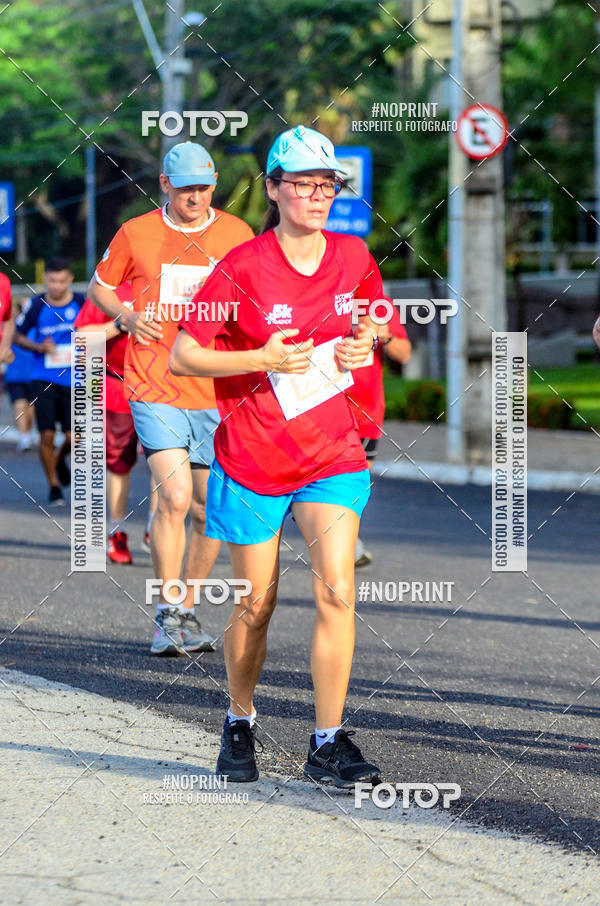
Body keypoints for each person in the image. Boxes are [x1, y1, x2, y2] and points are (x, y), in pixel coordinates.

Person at [172, 124, 384, 788]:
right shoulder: (241, 267)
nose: (318, 196)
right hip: (254, 456)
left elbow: (374, 318)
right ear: (273, 188)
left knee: (338, 591)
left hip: (331, 453)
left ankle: (327, 741)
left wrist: (364, 341)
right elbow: (184, 354)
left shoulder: (353, 255)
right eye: (303, 184)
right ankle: (239, 720)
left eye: (328, 185)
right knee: (256, 606)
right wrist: (258, 357)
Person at [87, 141, 254, 655]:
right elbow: (99, 287)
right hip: (153, 382)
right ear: (164, 184)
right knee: (175, 497)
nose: (195, 198)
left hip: (215, 388)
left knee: (206, 509)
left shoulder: (237, 234)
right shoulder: (135, 232)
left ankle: (186, 609)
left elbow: (256, 299)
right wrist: (127, 317)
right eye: (185, 190)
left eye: (204, 188)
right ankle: (165, 613)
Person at [75, 283, 142, 564]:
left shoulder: (176, 280)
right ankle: (116, 530)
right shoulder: (110, 288)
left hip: (170, 386)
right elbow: (82, 338)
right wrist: (121, 323)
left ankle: (157, 525)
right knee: (119, 462)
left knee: (169, 462)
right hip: (118, 386)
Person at [15, 257, 84, 505]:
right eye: (52, 280)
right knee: (46, 434)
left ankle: (57, 459)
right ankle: (54, 485)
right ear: (46, 279)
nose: (56, 286)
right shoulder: (36, 304)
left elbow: (99, 330)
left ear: (70, 279)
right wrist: (38, 347)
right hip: (43, 377)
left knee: (74, 436)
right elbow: (17, 335)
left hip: (75, 379)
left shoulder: (81, 302)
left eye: (62, 281)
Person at [347, 306, 411, 566]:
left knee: (356, 481)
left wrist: (386, 336)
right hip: (324, 407)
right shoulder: (319, 292)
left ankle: (346, 541)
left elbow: (404, 354)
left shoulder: (378, 305)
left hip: (366, 412)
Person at [3, 299, 36, 451]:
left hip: (32, 373)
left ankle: (26, 434)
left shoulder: (32, 326)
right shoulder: (10, 328)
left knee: (29, 406)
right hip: (17, 373)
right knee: (21, 403)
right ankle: (24, 436)